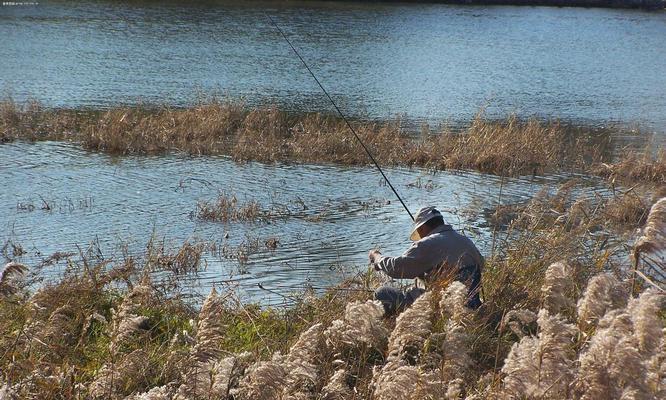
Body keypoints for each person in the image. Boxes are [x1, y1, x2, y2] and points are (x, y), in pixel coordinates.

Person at [369, 206, 484, 314]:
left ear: (422, 228)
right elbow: (480, 265)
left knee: (382, 292)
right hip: (469, 303)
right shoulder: (466, 241)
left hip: (438, 306)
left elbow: (396, 268)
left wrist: (377, 258)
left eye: (419, 231)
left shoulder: (427, 243)